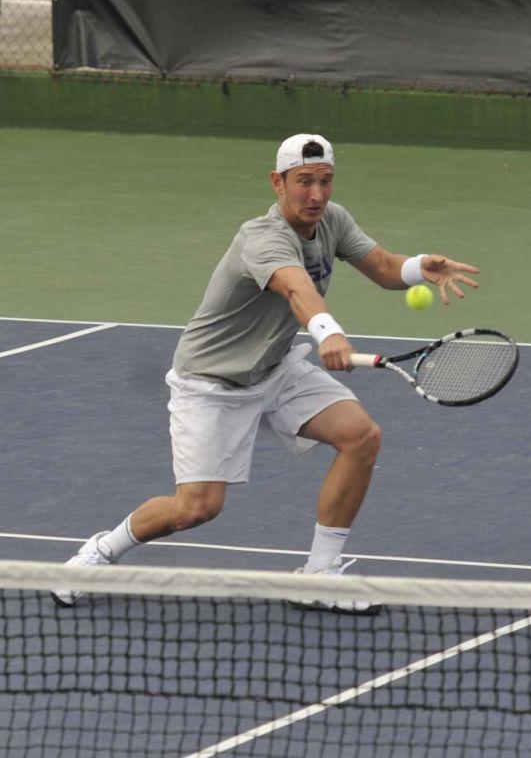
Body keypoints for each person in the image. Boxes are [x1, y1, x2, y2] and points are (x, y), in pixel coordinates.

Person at [51, 134, 479, 614]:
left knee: (361, 436)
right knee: (195, 509)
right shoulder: (262, 236)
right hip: (211, 383)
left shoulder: (332, 220)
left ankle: (318, 576)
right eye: (304, 182)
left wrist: (422, 267)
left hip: (274, 367)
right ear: (277, 183)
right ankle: (99, 552)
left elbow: (382, 267)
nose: (317, 194)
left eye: (325, 181)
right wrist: (329, 334)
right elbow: (296, 288)